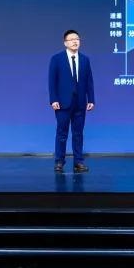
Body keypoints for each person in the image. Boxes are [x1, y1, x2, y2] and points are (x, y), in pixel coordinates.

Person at [48, 29, 95, 173]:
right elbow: (52, 81)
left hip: (80, 102)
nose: (75, 42)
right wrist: (53, 99)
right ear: (65, 43)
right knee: (62, 133)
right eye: (72, 39)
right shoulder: (57, 59)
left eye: (77, 39)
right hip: (63, 103)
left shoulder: (85, 59)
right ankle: (59, 162)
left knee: (78, 133)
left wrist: (91, 99)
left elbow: (89, 81)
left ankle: (78, 162)